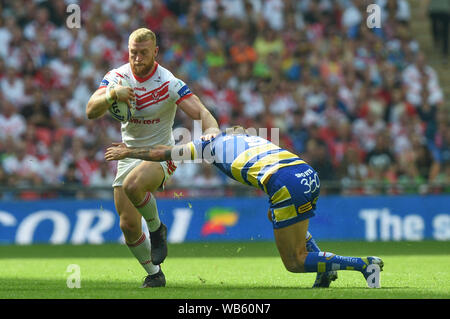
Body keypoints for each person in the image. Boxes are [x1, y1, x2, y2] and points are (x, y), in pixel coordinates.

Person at [105, 126, 384, 288]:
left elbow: (159, 154)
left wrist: (128, 152)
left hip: (285, 183)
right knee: (277, 219)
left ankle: (362, 265)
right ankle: (325, 269)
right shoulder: (245, 136)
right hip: (305, 172)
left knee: (294, 262)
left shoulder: (205, 146)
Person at [86, 28, 219, 288]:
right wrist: (113, 95)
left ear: (155, 52)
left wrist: (212, 130)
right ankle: (155, 273)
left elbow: (200, 110)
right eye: (133, 53)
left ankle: (157, 229)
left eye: (143, 53)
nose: (137, 58)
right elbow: (91, 110)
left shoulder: (168, 82)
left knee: (133, 185)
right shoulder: (116, 78)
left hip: (162, 153)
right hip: (128, 154)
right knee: (128, 226)